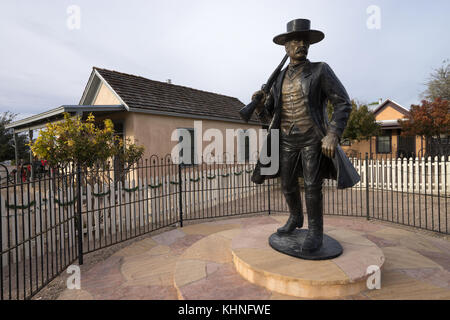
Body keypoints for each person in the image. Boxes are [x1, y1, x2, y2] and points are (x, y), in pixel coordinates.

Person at [252, 19, 360, 253]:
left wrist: (333, 134)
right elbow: (269, 117)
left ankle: (315, 232)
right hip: (286, 140)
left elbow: (343, 103)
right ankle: (294, 219)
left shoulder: (320, 70)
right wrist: (260, 106)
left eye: (305, 41)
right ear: (286, 47)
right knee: (288, 184)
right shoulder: (278, 78)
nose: (301, 44)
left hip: (313, 138)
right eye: (295, 41)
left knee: (312, 186)